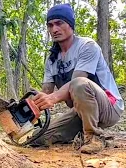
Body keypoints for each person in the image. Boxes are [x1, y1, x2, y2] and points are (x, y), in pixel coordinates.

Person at [31, 3, 124, 154]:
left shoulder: (87, 46)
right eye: (50, 25)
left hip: (108, 107)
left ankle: (93, 137)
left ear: (71, 24)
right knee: (38, 139)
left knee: (79, 84)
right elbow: (46, 93)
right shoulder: (52, 60)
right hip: (79, 111)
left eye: (59, 23)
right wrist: (33, 103)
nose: (54, 29)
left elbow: (77, 83)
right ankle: (80, 131)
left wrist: (53, 98)